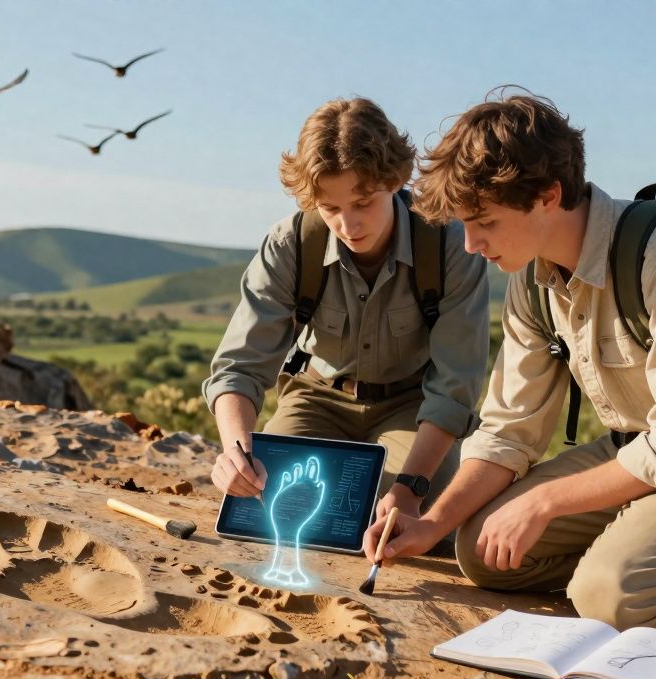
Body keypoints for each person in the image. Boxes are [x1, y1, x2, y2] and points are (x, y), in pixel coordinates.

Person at [364, 90, 656, 660]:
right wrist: (430, 519)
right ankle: (642, 546)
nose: (471, 244)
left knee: (613, 597)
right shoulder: (531, 278)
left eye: (484, 222)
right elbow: (509, 429)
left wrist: (543, 504)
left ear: (548, 196)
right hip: (638, 453)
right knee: (480, 549)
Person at [203, 97, 490, 529]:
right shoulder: (290, 244)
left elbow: (455, 390)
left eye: (363, 203)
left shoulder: (450, 244)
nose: (349, 226)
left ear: (394, 181)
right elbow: (239, 367)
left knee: (399, 518)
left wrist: (411, 487)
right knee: (262, 506)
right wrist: (236, 452)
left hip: (412, 408)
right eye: (331, 208)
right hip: (317, 398)